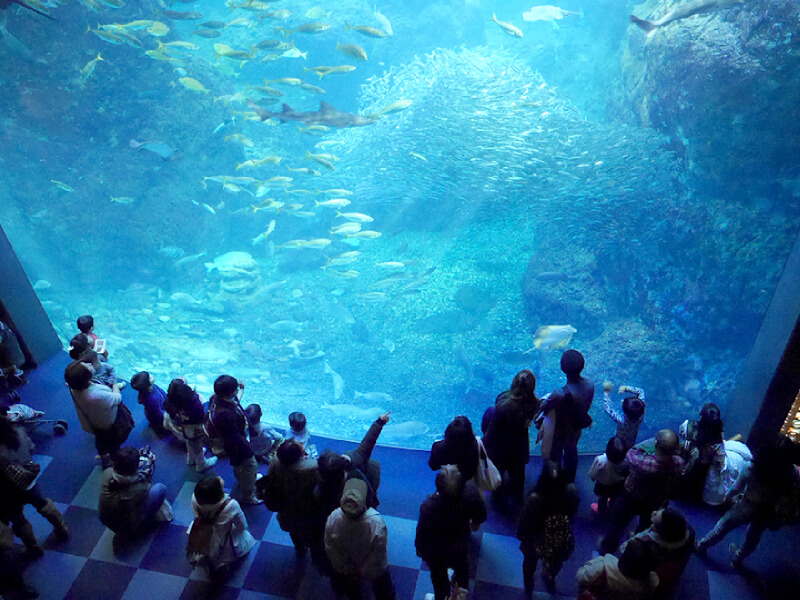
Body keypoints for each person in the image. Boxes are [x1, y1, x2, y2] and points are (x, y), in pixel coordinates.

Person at [695, 434, 800, 567]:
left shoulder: (751, 467)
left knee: (723, 526)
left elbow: (736, 488)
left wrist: (727, 498)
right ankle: (738, 558)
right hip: (768, 512)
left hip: (747, 506)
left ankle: (701, 545)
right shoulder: (791, 473)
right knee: (753, 537)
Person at [600, 430, 685, 555]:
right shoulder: (679, 464)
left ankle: (608, 548)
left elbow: (630, 453)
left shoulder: (645, 463)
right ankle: (635, 547)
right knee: (645, 525)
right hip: (656, 500)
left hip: (632, 497)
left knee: (619, 523)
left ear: (656, 444)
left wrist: (653, 441)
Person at [0, 411, 69, 557]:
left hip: (7, 490)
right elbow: (32, 448)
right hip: (27, 480)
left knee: (18, 519)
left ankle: (33, 547)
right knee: (42, 503)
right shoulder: (19, 432)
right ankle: (61, 528)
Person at [416, 465, 487, 600]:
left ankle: (442, 596)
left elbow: (422, 533)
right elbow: (481, 515)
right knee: (461, 569)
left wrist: (420, 550)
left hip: (436, 552)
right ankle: (460, 594)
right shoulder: (470, 493)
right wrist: (474, 523)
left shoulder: (429, 506)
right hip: (459, 544)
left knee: (438, 578)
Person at [325, 478, 396, 600]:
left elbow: (331, 547)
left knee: (353, 592)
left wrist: (345, 567)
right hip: (374, 569)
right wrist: (363, 569)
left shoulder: (334, 517)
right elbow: (378, 552)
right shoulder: (375, 522)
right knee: (385, 591)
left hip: (347, 568)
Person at [516, 461, 579, 597]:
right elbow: (573, 515)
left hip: (534, 542)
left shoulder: (533, 499)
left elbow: (522, 529)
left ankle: (528, 583)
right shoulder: (571, 492)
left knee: (530, 562)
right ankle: (549, 576)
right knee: (556, 561)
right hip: (560, 540)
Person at [537, 349, 594, 483]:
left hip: (559, 430)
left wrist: (544, 399)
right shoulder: (590, 384)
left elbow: (544, 407)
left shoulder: (559, 394)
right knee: (571, 450)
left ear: (563, 368)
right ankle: (570, 481)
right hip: (576, 427)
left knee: (555, 454)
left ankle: (553, 480)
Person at [483, 369, 539, 501]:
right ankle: (517, 494)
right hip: (519, 445)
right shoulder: (534, 403)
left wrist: (484, 444)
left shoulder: (503, 403)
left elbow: (492, 430)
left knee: (498, 472)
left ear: (514, 383)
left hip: (500, 447)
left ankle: (497, 496)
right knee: (518, 472)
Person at [187, 474, 257, 581]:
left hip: (201, 530)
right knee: (227, 548)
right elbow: (242, 526)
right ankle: (221, 565)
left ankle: (204, 560)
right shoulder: (230, 505)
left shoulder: (195, 499)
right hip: (221, 538)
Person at [65, 360, 133, 468]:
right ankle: (115, 458)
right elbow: (117, 398)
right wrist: (114, 384)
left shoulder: (74, 387)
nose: (89, 363)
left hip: (95, 421)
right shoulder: (95, 395)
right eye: (87, 366)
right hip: (110, 421)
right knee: (115, 440)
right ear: (86, 377)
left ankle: (104, 456)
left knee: (101, 438)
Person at [257, 439, 320, 554]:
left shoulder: (276, 461)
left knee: (293, 530)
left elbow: (270, 476)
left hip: (284, 505)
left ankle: (300, 548)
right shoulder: (311, 468)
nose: (302, 444)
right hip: (304, 506)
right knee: (308, 528)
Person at [207, 375, 260, 504]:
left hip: (232, 444)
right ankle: (248, 495)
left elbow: (236, 402)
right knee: (251, 465)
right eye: (236, 389)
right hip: (237, 446)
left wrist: (241, 390)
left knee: (237, 464)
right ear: (231, 392)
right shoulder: (226, 416)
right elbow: (235, 438)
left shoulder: (217, 399)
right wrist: (249, 451)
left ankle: (244, 479)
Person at [620, 507, 694, 598]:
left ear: (660, 532)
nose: (654, 512)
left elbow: (623, 549)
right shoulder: (688, 533)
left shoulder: (646, 546)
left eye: (656, 519)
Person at [98, 446, 171, 537]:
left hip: (109, 522)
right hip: (129, 528)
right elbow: (147, 485)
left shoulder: (107, 472)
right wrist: (148, 467)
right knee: (160, 489)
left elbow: (127, 479)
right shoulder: (137, 488)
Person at [576, 538, 659, 600]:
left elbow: (581, 577)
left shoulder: (602, 567)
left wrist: (591, 563)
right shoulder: (652, 582)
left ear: (624, 557)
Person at [163, 378, 217, 472]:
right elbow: (203, 415)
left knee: (189, 442)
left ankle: (191, 458)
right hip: (195, 429)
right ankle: (201, 464)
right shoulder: (193, 403)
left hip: (183, 427)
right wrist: (208, 402)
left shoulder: (171, 402)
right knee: (197, 445)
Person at [678, 403, 726, 504]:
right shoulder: (718, 435)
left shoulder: (688, 425)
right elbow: (720, 458)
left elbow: (682, 436)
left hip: (690, 459)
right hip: (706, 465)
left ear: (701, 416)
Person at [429, 415, 480, 483]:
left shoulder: (438, 447)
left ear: (448, 432)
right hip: (469, 483)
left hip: (445, 483)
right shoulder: (475, 446)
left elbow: (433, 466)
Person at [588, 435, 629, 516]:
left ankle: (601, 510)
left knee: (602, 498)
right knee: (614, 497)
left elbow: (593, 473)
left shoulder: (600, 460)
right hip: (618, 486)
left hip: (602, 485)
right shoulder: (626, 463)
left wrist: (593, 478)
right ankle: (611, 508)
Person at [603, 381, 646, 450]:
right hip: (631, 441)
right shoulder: (641, 413)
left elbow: (608, 408)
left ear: (625, 412)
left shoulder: (622, 420)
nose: (622, 401)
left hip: (619, 442)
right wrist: (627, 388)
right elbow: (641, 392)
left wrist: (607, 392)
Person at [130, 371, 167, 435]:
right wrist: (169, 413)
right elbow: (158, 413)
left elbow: (161, 391)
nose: (152, 375)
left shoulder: (152, 387)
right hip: (160, 417)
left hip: (162, 405)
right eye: (149, 377)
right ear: (147, 383)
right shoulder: (152, 399)